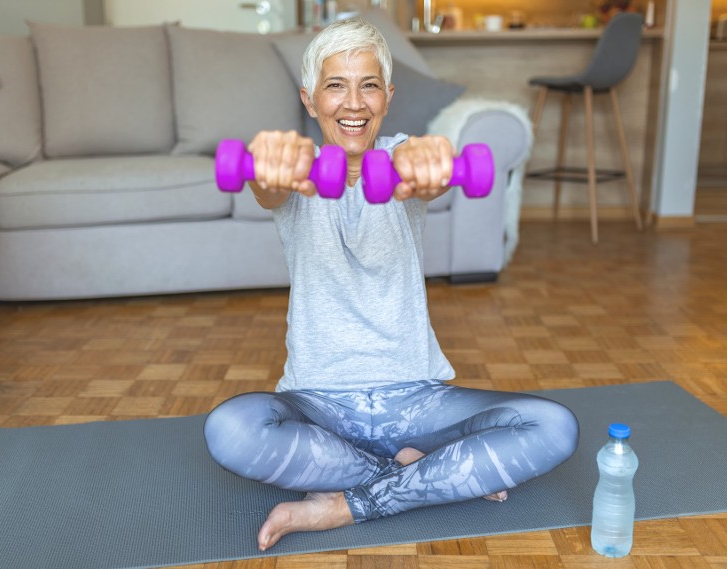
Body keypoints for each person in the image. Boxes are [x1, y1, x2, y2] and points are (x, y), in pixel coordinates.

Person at [203, 17, 579, 551]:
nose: (353, 103)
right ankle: (425, 476)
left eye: (369, 85)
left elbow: (424, 164)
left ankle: (351, 504)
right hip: (319, 405)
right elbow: (267, 189)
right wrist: (267, 163)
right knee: (230, 429)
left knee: (554, 426)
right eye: (336, 85)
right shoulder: (297, 170)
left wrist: (432, 162)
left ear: (387, 97)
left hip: (418, 402)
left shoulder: (403, 160)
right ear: (310, 101)